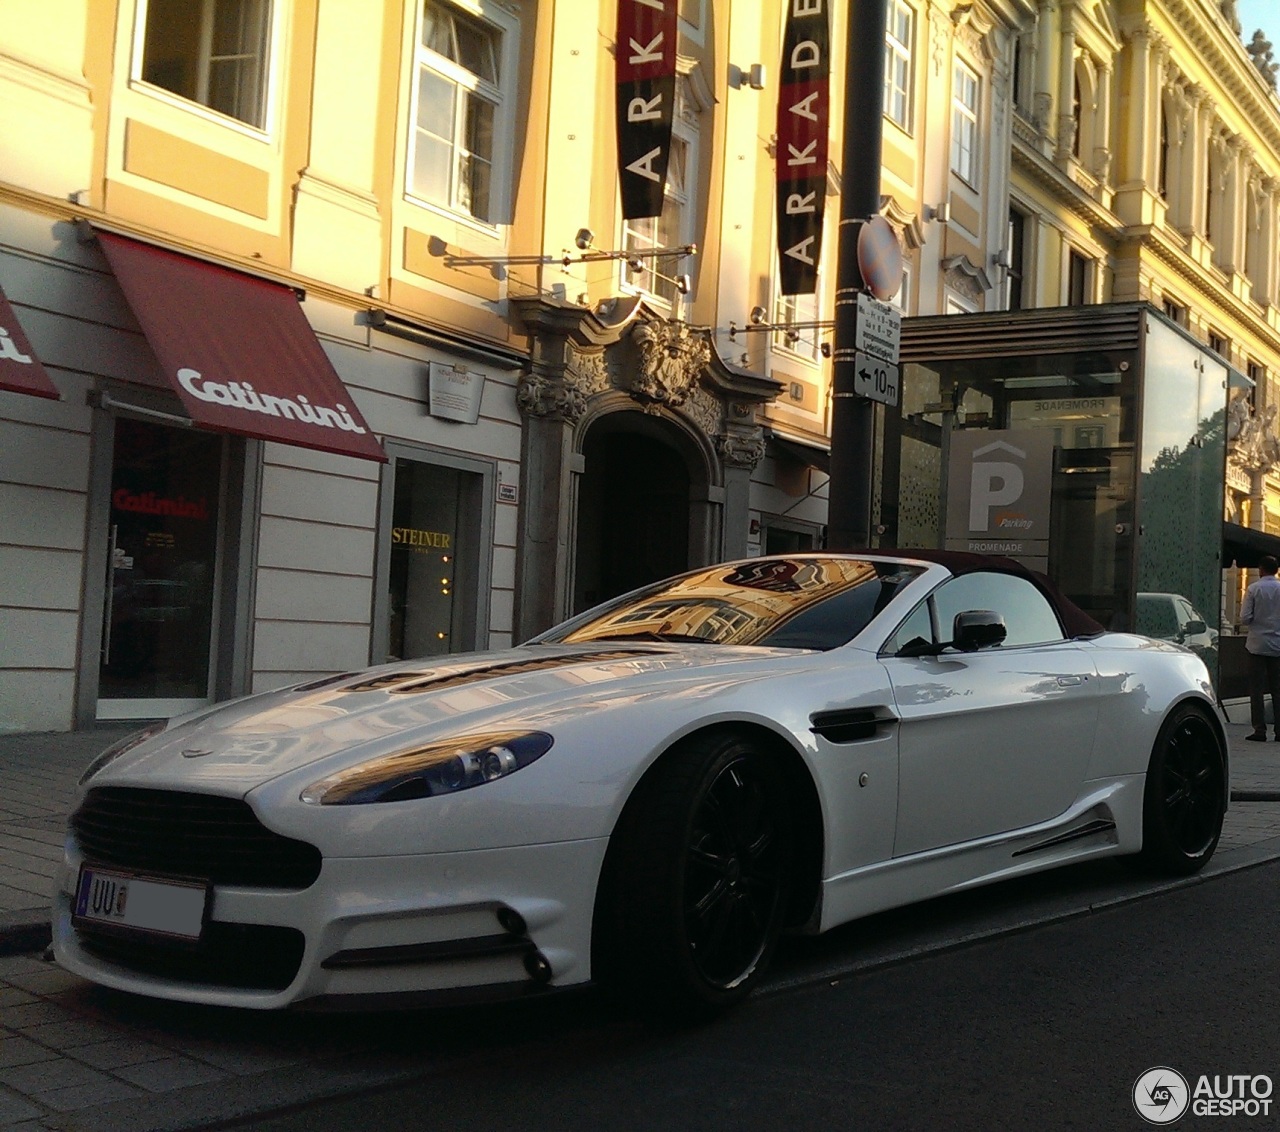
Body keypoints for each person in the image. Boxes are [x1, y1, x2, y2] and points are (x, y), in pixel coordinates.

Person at [1241, 554, 1280, 740]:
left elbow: (1245, 618)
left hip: (1256, 645)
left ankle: (1259, 729)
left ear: (1261, 569)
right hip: (1278, 646)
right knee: (1278, 689)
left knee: (1256, 689)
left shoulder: (1253, 589)